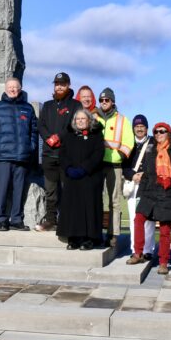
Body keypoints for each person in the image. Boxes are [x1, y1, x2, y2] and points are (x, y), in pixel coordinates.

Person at [130, 122, 171, 275]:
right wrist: (139, 197)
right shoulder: (151, 151)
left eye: (162, 131)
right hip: (150, 193)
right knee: (138, 219)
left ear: (169, 133)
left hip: (167, 193)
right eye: (156, 132)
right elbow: (145, 175)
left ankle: (163, 261)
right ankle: (138, 253)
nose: (158, 134)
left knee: (164, 229)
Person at [0, 77, 39, 231]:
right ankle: (2, 219)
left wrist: (31, 147)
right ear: (5, 88)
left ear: (20, 88)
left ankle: (16, 220)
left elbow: (33, 131)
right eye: (10, 87)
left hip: (22, 156)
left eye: (16, 87)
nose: (13, 89)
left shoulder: (28, 108)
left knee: (19, 189)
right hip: (3, 156)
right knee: (2, 189)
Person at [36, 72, 80, 232]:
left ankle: (66, 220)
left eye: (62, 84)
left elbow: (74, 125)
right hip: (49, 155)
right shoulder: (47, 105)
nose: (59, 87)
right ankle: (51, 220)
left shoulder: (76, 105)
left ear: (68, 85)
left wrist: (58, 137)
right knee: (51, 192)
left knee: (67, 190)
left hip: (66, 155)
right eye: (57, 84)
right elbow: (41, 125)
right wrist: (49, 137)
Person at [56, 108, 105, 250]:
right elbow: (62, 154)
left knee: (88, 208)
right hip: (72, 178)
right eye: (78, 119)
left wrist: (84, 168)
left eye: (83, 119)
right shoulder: (69, 135)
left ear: (89, 120)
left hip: (90, 177)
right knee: (73, 208)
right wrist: (68, 168)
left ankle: (88, 239)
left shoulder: (96, 135)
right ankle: (74, 238)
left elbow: (98, 154)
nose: (81, 121)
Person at [95, 88, 133, 250]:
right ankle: (95, 233)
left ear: (113, 102)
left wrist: (118, 156)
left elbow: (128, 143)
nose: (104, 103)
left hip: (114, 166)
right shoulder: (94, 118)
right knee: (95, 200)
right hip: (97, 165)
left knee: (115, 202)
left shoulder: (123, 120)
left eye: (107, 100)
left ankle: (113, 235)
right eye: (101, 100)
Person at [122, 115, 154, 262]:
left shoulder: (153, 142)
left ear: (146, 128)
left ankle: (148, 250)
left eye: (142, 126)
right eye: (137, 126)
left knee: (148, 219)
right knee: (134, 218)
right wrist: (132, 175)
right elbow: (123, 165)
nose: (139, 129)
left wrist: (145, 175)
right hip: (133, 184)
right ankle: (136, 249)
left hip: (149, 185)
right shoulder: (128, 143)